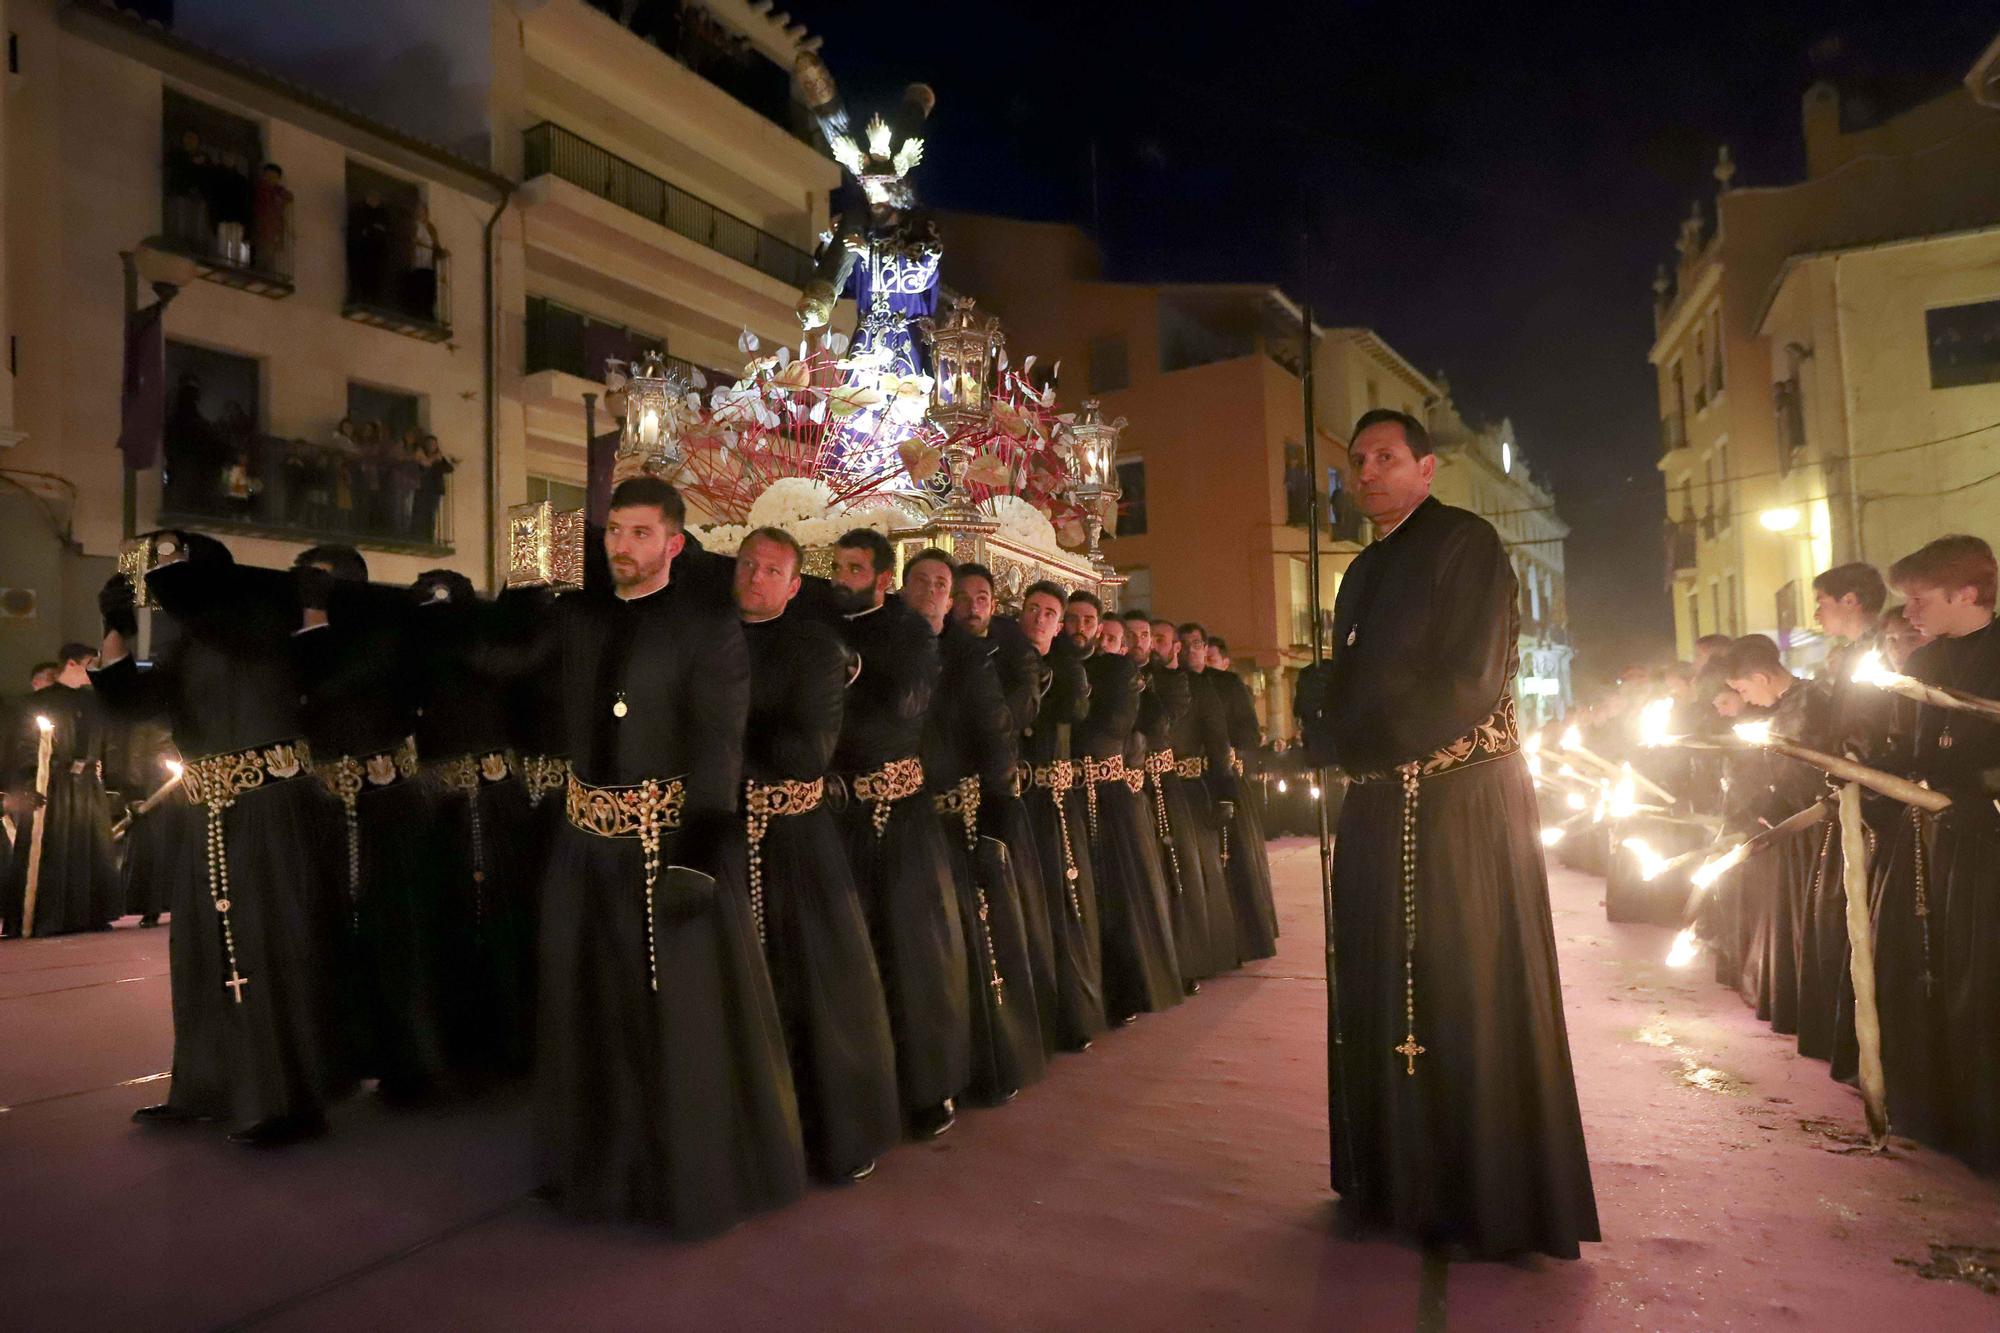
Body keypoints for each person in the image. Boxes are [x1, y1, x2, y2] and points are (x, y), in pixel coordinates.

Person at [1296, 408, 1597, 1259]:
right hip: (1381, 806)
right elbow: (1355, 679)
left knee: (1463, 983)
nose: (1368, 472)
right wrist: (1323, 708)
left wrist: (1353, 731)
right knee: (1378, 982)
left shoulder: (1466, 544)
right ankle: (1392, 1180)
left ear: (1427, 469)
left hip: (1460, 806)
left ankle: (1483, 1194)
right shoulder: (1360, 570)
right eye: (1357, 461)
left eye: (1386, 457)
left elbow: (1464, 682)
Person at [531, 477, 805, 1231]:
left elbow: (720, 751)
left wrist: (697, 856)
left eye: (642, 533)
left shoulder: (705, 627)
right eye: (616, 530)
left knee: (675, 1020)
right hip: (585, 848)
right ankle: (596, 1164)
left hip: (663, 852)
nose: (624, 545)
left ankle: (675, 1175)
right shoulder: (582, 619)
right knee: (588, 1010)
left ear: (674, 544)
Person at [91, 531, 346, 1146]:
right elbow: (130, 700)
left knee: (269, 945)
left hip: (270, 805)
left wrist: (314, 608)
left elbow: (315, 669)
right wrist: (117, 622)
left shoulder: (256, 618)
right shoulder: (185, 636)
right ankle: (203, 1087)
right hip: (208, 809)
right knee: (200, 950)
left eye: (176, 565)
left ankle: (286, 1102)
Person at [733, 526, 900, 1182]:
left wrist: (723, 735)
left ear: (793, 584)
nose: (753, 576)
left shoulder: (813, 649)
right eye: (746, 564)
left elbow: (805, 752)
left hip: (795, 845)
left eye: (770, 569)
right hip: (724, 837)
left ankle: (825, 1134)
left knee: (810, 991)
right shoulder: (707, 634)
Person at [826, 528, 969, 1138]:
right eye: (836, 566)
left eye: (854, 568)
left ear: (883, 579)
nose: (841, 577)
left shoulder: (909, 632)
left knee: (911, 951)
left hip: (896, 815)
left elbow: (907, 702)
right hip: (828, 813)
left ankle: (926, 1086)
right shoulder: (817, 620)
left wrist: (849, 670)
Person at [292, 545, 448, 1103]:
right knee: (326, 934)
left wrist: (314, 622)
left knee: (396, 932)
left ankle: (410, 1065)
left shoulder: (387, 636)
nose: (306, 590)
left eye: (320, 581)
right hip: (324, 805)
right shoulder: (298, 633)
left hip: (387, 804)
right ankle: (335, 1060)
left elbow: (331, 680)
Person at [1873, 536, 2000, 1171]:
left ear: (1967, 593)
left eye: (1920, 599)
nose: (1911, 613)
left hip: (1986, 842)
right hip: (1930, 842)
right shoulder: (1923, 666)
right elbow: (1912, 752)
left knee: (1981, 981)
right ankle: (1934, 1109)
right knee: (1926, 971)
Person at [907, 549, 1046, 1102]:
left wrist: (996, 820)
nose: (947, 599)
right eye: (930, 584)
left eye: (950, 588)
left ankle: (979, 1062)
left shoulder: (971, 659)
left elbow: (995, 739)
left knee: (965, 940)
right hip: (898, 818)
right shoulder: (888, 645)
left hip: (954, 818)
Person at [408, 568, 536, 1081]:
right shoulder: (417, 654)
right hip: (442, 810)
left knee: (502, 921)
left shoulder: (490, 648)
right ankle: (461, 1046)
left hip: (496, 803)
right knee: (453, 923)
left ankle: (511, 1042)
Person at [953, 561, 1061, 1050]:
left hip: (992, 794)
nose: (970, 607)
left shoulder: (1014, 655)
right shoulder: (932, 645)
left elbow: (1015, 714)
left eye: (981, 599)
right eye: (962, 597)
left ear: (993, 606)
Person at [1717, 634, 1835, 1039]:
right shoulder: (1782, 706)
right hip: (1784, 826)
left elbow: (1812, 768)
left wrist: (1780, 805)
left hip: (1810, 826)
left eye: (1744, 689)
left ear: (1761, 676)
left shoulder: (1813, 701)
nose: (1744, 699)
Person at [1072, 598, 1181, 1023]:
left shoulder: (1120, 674)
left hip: (1109, 792)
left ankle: (1126, 989)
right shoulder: (1083, 666)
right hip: (1084, 791)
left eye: (1111, 636)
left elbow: (1119, 725)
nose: (1103, 641)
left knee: (1118, 895)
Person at [1017, 581, 1106, 1051]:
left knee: (1062, 901)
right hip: (1015, 802)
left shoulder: (1067, 670)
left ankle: (1071, 1014)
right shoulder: (1006, 656)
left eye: (1050, 612)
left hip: (1053, 801)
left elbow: (1072, 710)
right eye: (1033, 609)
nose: (1040, 618)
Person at [2, 644, 120, 936]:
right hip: (52, 785)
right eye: (90, 664)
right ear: (71, 664)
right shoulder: (37, 702)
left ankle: (89, 913)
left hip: (86, 786)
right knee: (54, 849)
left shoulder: (95, 703)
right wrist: (30, 782)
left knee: (87, 847)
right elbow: (24, 746)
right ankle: (47, 916)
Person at [1122, 609, 1212, 990]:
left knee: (1175, 873)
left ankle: (1184, 962)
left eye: (1151, 636)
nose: (1145, 642)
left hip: (1162, 786)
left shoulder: (1172, 682)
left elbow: (1160, 722)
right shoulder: (1115, 676)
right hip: (1126, 788)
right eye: (1139, 636)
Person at [1185, 622, 1278, 961]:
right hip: (1194, 783)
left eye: (1200, 647)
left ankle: (1243, 937)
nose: (1195, 654)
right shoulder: (1180, 683)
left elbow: (1249, 733)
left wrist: (1228, 751)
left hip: (1226, 778)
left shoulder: (1228, 685)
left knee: (1234, 858)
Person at [1155, 616, 1236, 972]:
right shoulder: (1141, 682)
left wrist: (1224, 793)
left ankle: (1199, 955)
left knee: (1192, 874)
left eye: (1161, 639)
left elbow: (1218, 742)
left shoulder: (1201, 689)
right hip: (1145, 790)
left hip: (1187, 792)